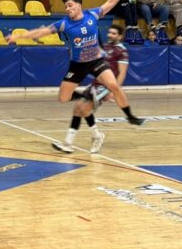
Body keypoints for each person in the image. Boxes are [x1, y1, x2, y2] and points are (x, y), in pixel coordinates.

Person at [6, 0, 144, 126]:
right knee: (64, 98)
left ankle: (130, 116)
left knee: (113, 86)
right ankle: (86, 94)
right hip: (78, 64)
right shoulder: (64, 23)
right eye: (66, 6)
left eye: (70, 5)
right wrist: (18, 36)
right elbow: (40, 32)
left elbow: (111, 2)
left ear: (79, 5)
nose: (67, 9)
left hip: (96, 59)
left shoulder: (92, 14)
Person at [53, 24, 129, 154]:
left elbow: (122, 73)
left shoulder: (122, 51)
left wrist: (113, 91)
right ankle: (69, 143)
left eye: (114, 33)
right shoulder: (104, 47)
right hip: (95, 84)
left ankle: (94, 137)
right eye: (109, 32)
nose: (110, 35)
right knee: (78, 108)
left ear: (120, 36)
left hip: (105, 87)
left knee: (83, 108)